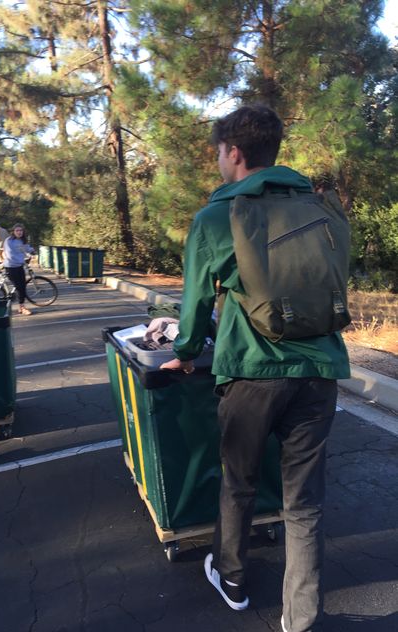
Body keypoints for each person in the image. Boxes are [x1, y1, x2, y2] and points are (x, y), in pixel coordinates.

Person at [160, 105, 350, 632]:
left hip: (252, 372)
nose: (219, 162)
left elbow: (196, 303)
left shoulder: (217, 217)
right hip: (320, 370)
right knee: (304, 501)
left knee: (239, 483)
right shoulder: (318, 208)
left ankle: (234, 579)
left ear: (235, 154)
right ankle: (300, 618)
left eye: (219, 153)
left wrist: (186, 349)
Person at [2, 223, 35, 316]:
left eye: (21, 230)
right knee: (19, 287)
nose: (19, 232)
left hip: (19, 266)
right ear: (13, 232)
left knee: (23, 286)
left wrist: (32, 251)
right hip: (11, 267)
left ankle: (21, 306)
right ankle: (22, 307)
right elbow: (10, 254)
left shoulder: (22, 240)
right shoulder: (9, 241)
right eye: (17, 230)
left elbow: (26, 248)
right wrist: (23, 260)